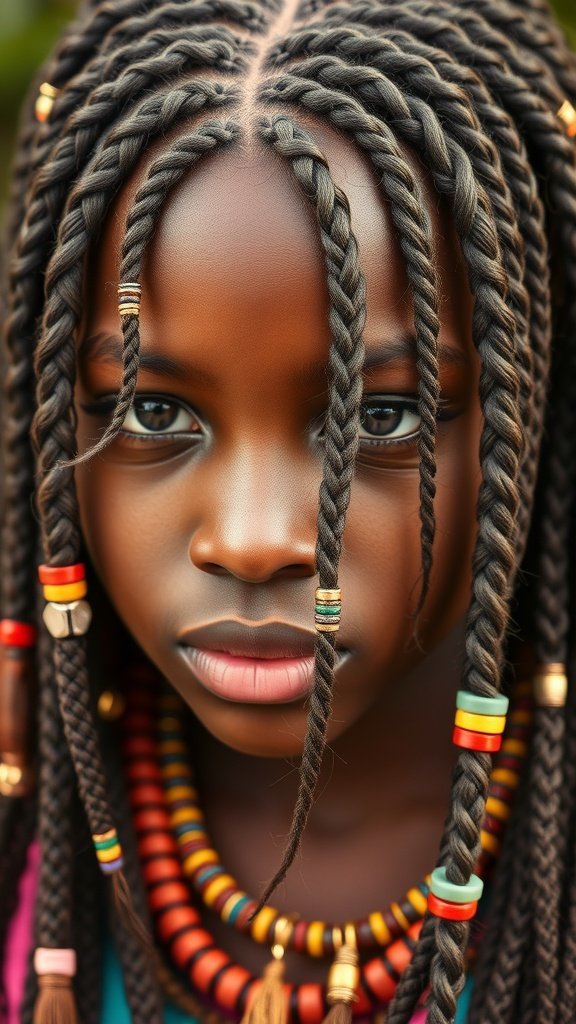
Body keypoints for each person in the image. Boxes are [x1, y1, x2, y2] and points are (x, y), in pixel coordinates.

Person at [1, 0, 575, 1021]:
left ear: (535, 401)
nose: (260, 539)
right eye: (153, 409)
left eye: (384, 413)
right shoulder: (29, 833)